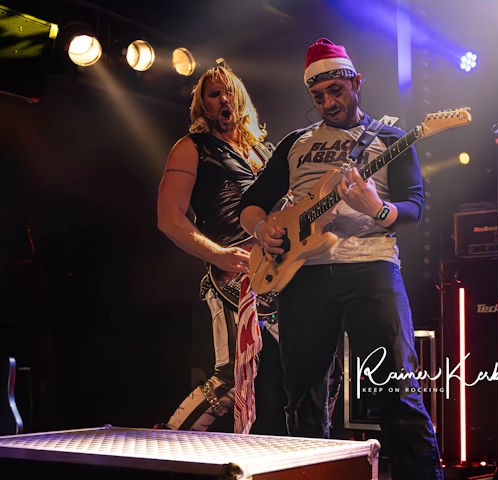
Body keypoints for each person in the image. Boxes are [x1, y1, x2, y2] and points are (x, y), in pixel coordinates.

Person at [240, 38, 443, 479]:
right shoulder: (295, 143)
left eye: (336, 91)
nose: (329, 103)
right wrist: (262, 229)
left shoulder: (390, 139)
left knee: (397, 391)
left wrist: (378, 209)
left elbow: (414, 207)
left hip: (372, 267)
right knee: (303, 399)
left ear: (357, 82)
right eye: (318, 96)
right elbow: (251, 204)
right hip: (304, 274)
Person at [156, 65, 286, 434]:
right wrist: (218, 254)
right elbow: (168, 218)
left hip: (281, 273)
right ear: (204, 105)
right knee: (231, 377)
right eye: (214, 94)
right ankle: (168, 444)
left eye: (230, 92)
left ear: (242, 99)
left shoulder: (267, 151)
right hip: (235, 276)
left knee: (314, 367)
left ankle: (305, 453)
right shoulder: (191, 148)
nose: (224, 99)